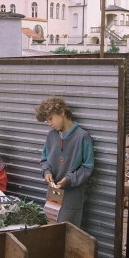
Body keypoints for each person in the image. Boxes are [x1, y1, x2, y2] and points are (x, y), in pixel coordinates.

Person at [35, 97, 94, 227]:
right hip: (53, 193)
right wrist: (46, 172)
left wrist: (69, 179)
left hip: (72, 195)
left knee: (67, 233)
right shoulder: (51, 136)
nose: (49, 123)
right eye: (46, 120)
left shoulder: (82, 136)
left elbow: (88, 167)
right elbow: (44, 159)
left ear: (62, 112)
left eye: (50, 119)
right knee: (50, 229)